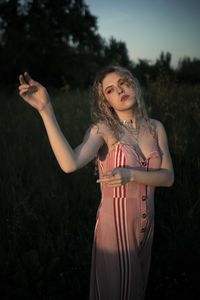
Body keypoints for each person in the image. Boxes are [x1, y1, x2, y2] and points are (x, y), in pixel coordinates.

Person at [18, 65, 174, 300]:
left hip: (146, 228)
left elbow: (168, 177)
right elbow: (70, 163)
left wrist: (130, 174)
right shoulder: (104, 130)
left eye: (123, 82)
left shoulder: (155, 127)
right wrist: (46, 110)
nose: (119, 90)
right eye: (110, 90)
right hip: (115, 232)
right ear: (106, 101)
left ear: (133, 82)